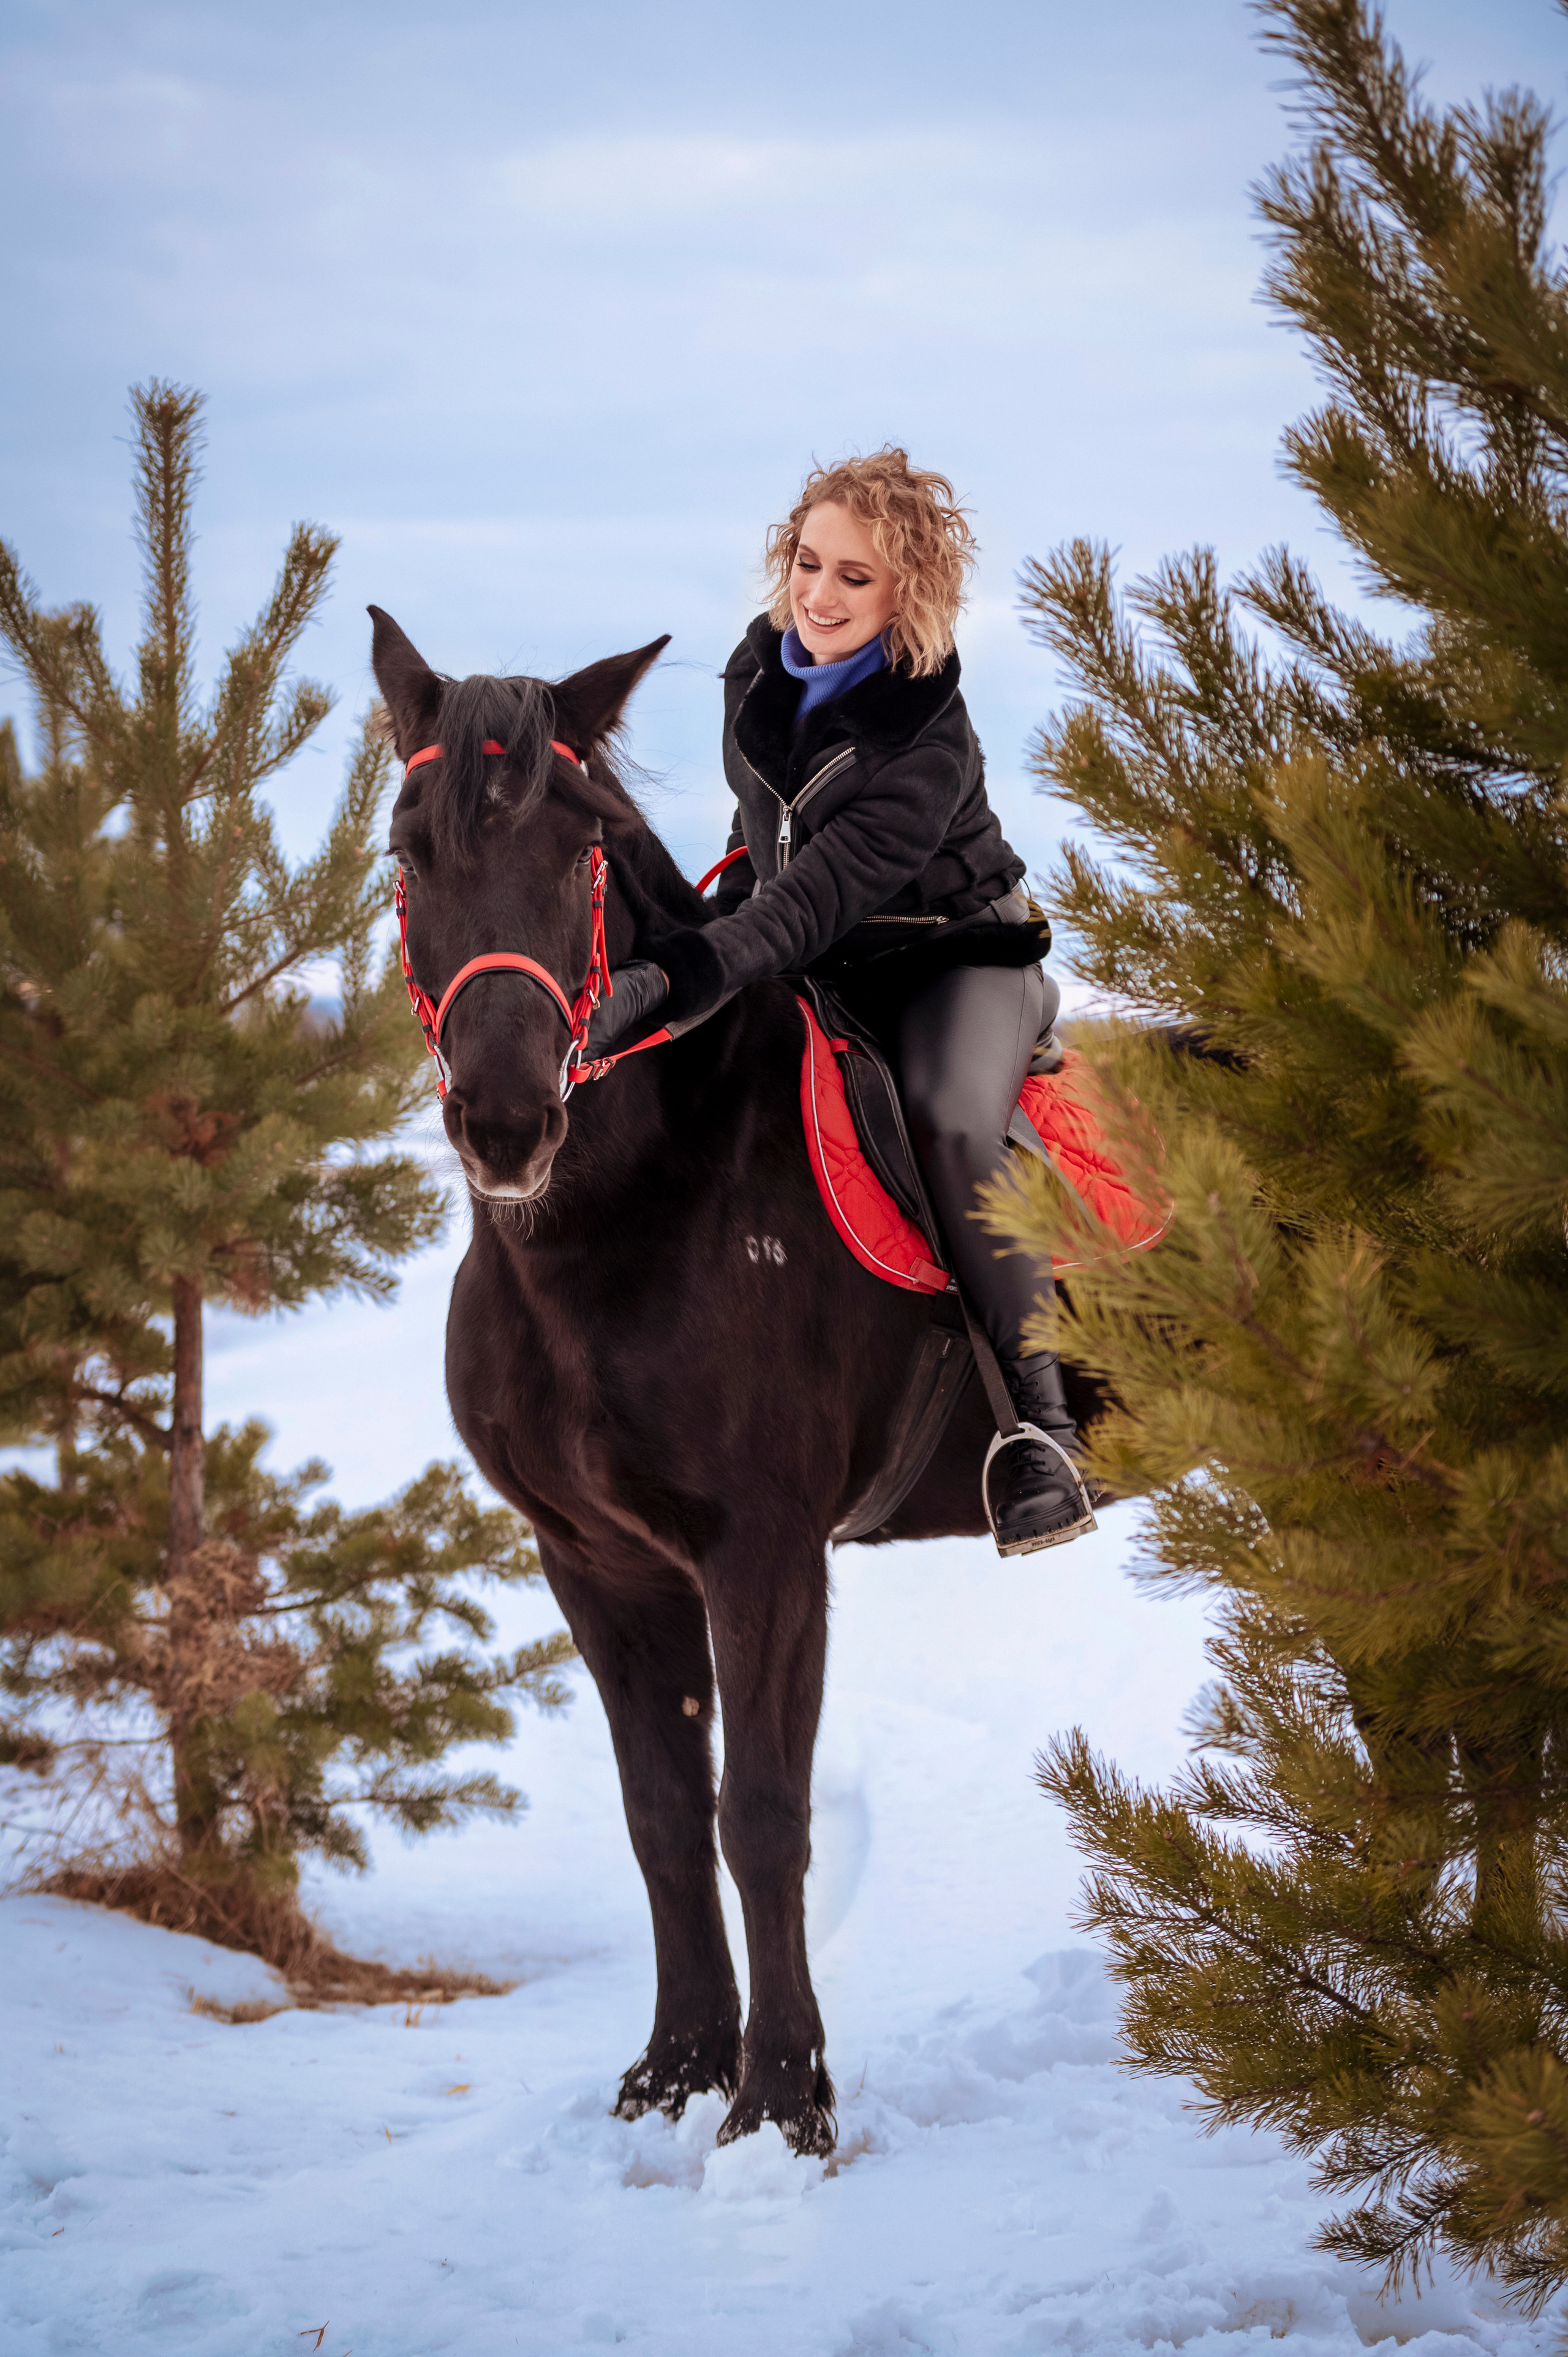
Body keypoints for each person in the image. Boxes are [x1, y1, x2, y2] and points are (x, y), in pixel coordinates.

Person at [592, 447, 1090, 1554]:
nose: (817, 596)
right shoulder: (753, 671)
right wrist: (687, 925)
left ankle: (1045, 1430)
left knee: (950, 1120)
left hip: (955, 962)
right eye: (808, 563)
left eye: (853, 578)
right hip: (820, 954)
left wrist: (686, 976)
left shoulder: (928, 747)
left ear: (905, 593)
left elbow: (812, 899)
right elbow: (762, 837)